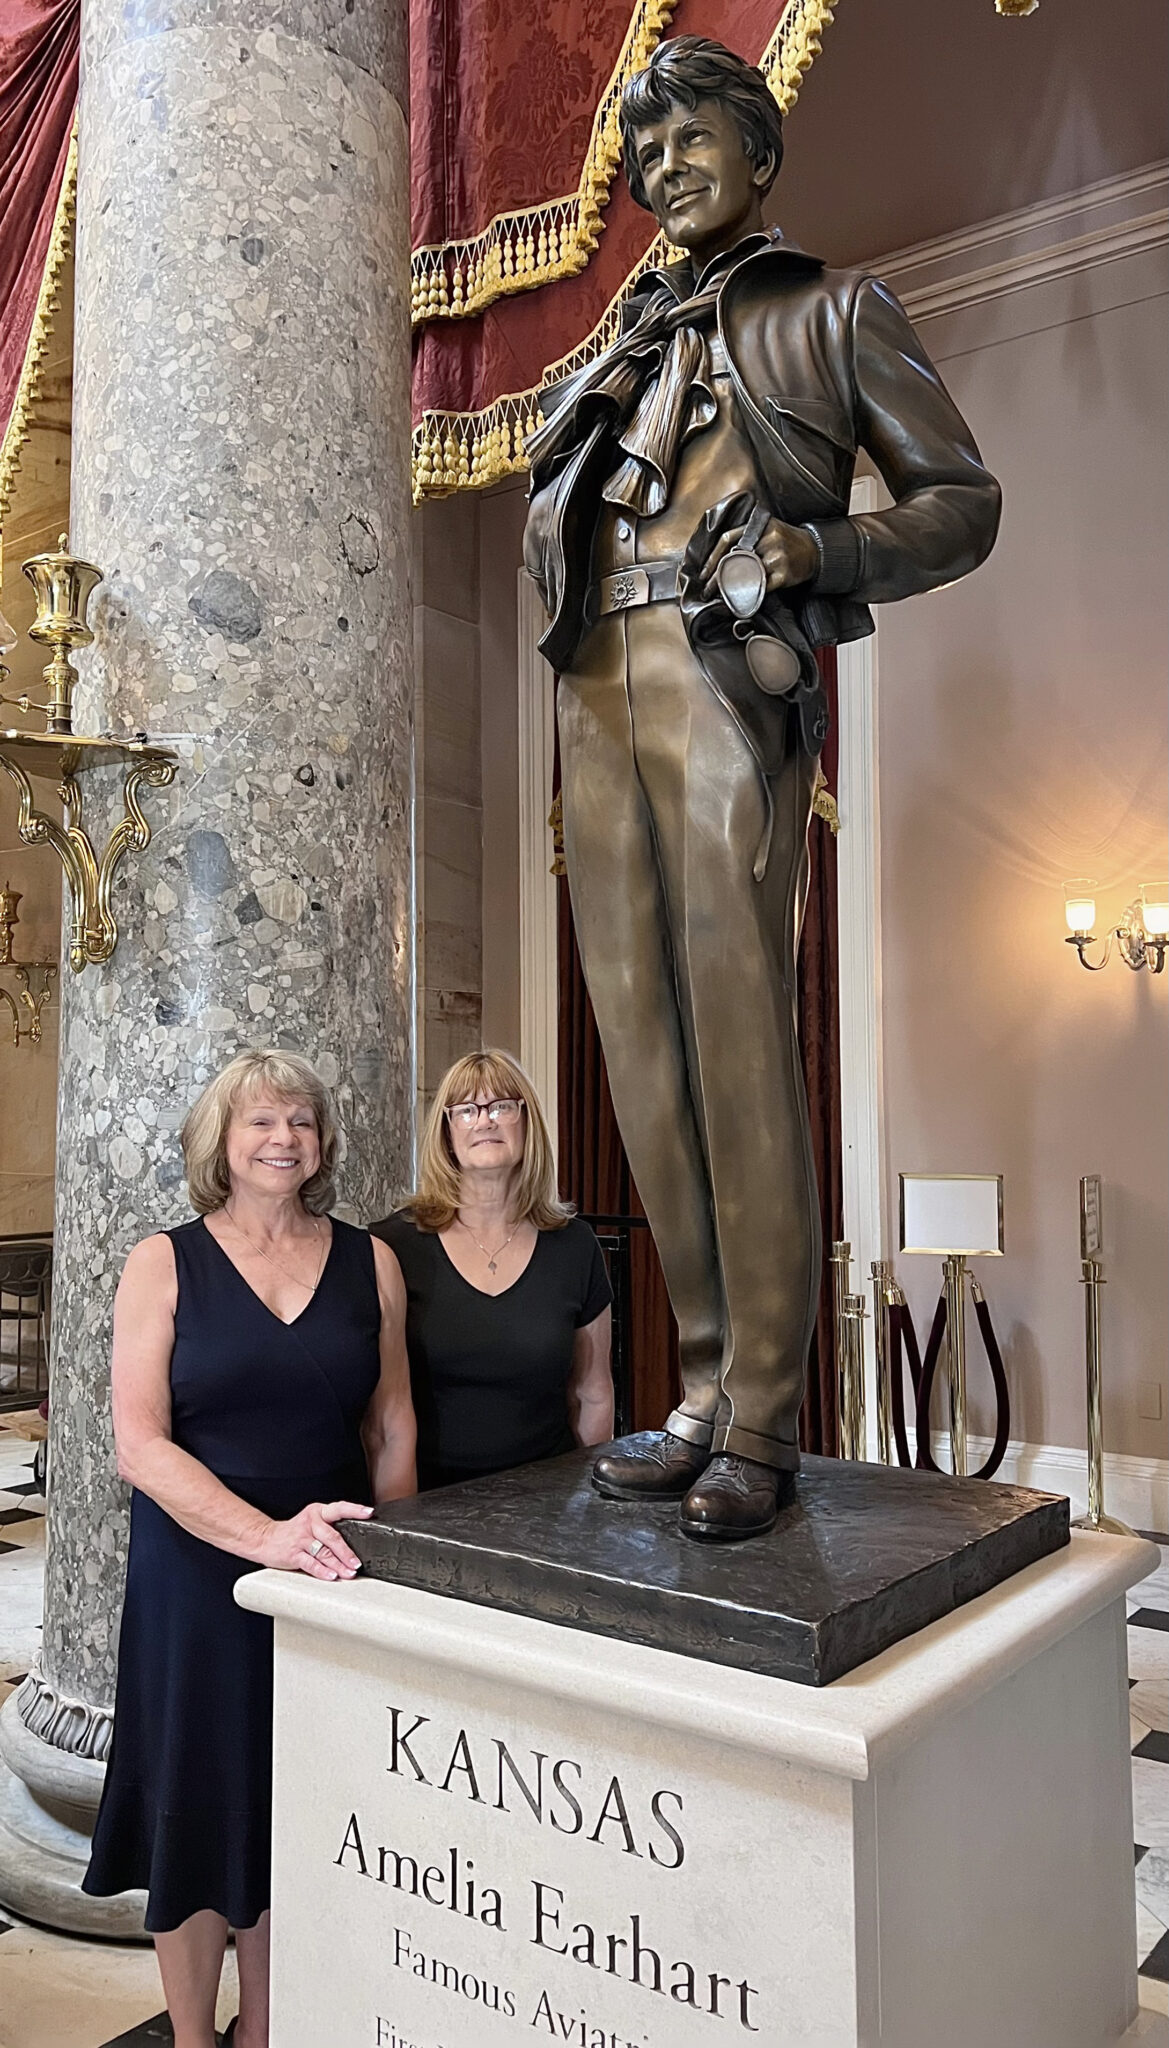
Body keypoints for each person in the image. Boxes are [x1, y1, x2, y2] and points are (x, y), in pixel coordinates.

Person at [523, 36, 1001, 1539]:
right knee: (640, 1042)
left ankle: (766, 1418)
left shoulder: (835, 310)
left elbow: (960, 503)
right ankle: (702, 1387)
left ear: (760, 154)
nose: (666, 163)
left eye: (693, 137)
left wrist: (823, 550)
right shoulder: (612, 347)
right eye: (645, 147)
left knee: (733, 1023)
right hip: (594, 677)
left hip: (726, 668)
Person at [82, 1050, 416, 2048]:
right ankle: (193, 2034)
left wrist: (393, 1569)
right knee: (194, 1803)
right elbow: (139, 1441)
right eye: (260, 1121)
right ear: (219, 1141)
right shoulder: (163, 1259)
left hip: (332, 1573)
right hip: (196, 1576)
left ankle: (267, 2028)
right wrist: (265, 1537)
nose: (283, 1138)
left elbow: (391, 1426)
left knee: (293, 1806)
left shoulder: (373, 1259)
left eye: (301, 1121)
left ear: (321, 1141)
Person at [371, 1049, 614, 1491]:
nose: (485, 1121)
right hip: (429, 1496)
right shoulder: (392, 1246)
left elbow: (591, 1392)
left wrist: (586, 1503)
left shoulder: (575, 1245)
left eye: (502, 1106)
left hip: (547, 1498)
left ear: (527, 1123)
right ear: (447, 1134)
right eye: (466, 1110)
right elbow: (378, 1416)